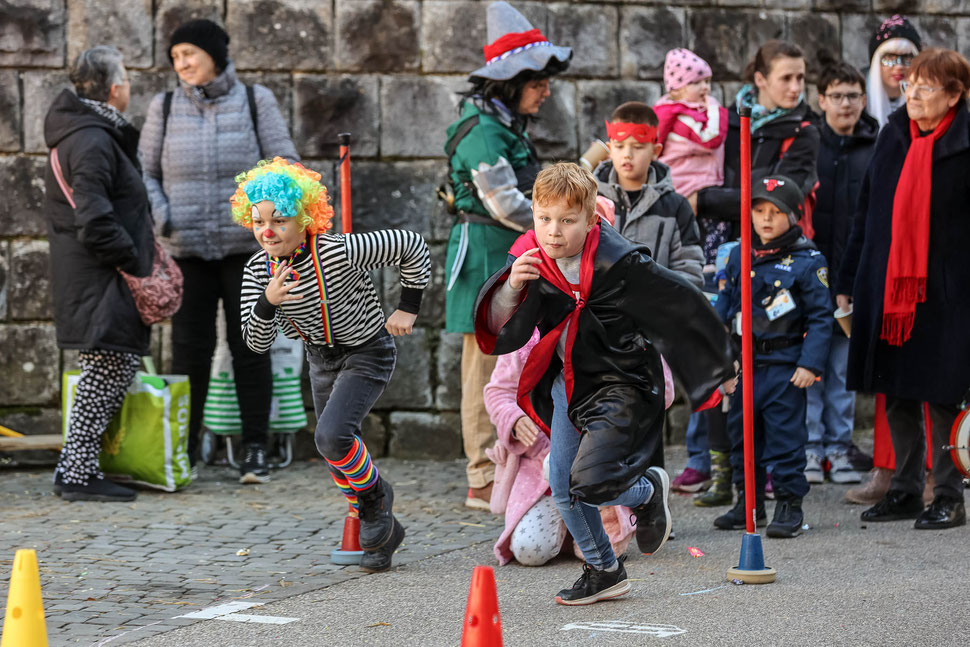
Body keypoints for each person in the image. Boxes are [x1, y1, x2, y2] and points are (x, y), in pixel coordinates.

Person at [475, 163, 735, 605]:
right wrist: (510, 289)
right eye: (544, 218)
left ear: (592, 217)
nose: (553, 232)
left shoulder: (621, 260)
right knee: (563, 483)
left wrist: (719, 367)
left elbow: (681, 304)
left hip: (622, 379)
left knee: (591, 480)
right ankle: (604, 569)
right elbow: (500, 324)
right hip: (568, 384)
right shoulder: (529, 255)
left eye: (566, 220)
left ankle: (646, 490)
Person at [235, 158, 431, 571]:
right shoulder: (256, 271)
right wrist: (268, 303)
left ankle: (375, 500)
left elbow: (412, 245)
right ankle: (382, 531)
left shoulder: (338, 250)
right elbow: (255, 342)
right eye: (258, 221)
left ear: (305, 217)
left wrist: (407, 309)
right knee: (333, 451)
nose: (267, 231)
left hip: (367, 350)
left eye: (280, 220)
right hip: (320, 358)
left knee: (331, 436)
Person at [139, 19, 299, 484]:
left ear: (214, 53)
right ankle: (182, 451)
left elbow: (284, 164)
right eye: (175, 58)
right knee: (188, 351)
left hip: (246, 248)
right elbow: (144, 174)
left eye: (189, 53)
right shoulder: (163, 106)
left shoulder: (255, 101)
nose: (182, 64)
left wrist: (271, 223)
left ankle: (254, 449)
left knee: (251, 345)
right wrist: (164, 216)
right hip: (184, 248)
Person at [443, 1, 572, 510]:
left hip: (513, 252)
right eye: (538, 83)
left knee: (512, 361)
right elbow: (508, 205)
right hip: (486, 254)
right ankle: (480, 475)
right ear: (511, 83)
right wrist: (563, 220)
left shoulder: (503, 125)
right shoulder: (482, 132)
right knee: (484, 363)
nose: (545, 92)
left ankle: (508, 464)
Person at [836, 48, 970, 530]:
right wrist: (848, 281)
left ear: (955, 95)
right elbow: (866, 212)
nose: (912, 95)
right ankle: (906, 489)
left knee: (942, 395)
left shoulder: (965, 143)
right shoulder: (893, 135)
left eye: (926, 87)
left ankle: (948, 495)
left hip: (948, 293)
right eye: (910, 85)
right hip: (887, 285)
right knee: (895, 391)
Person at [43, 46, 152, 502]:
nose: (128, 86)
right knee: (108, 365)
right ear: (113, 88)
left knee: (110, 364)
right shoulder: (91, 138)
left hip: (93, 273)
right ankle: (75, 473)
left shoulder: (86, 132)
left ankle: (78, 467)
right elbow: (95, 218)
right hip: (100, 275)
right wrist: (132, 261)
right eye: (125, 78)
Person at [713, 175, 832, 538]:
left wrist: (809, 364)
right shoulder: (739, 254)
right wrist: (723, 364)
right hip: (744, 367)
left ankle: (788, 504)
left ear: (793, 216)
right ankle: (748, 503)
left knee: (784, 440)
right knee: (743, 437)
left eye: (775, 212)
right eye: (759, 210)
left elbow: (821, 318)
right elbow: (723, 312)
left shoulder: (808, 261)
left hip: (784, 367)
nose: (765, 219)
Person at [483, 330, 658, 566]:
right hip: (538, 465)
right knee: (529, 551)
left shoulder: (599, 323)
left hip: (592, 459)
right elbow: (497, 391)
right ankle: (566, 528)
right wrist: (513, 419)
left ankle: (643, 491)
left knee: (603, 548)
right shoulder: (524, 334)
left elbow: (654, 382)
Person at [804, 56, 879, 485]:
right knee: (810, 369)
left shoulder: (877, 145)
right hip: (811, 278)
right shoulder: (809, 144)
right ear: (821, 100)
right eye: (836, 96)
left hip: (854, 279)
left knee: (842, 371)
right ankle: (811, 450)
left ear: (863, 99)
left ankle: (839, 447)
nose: (845, 104)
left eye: (853, 96)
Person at [693, 40, 819, 243]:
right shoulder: (725, 120)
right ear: (760, 79)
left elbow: (776, 197)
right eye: (786, 78)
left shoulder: (805, 131)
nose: (795, 88)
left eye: (800, 78)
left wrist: (702, 201)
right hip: (715, 243)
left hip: (771, 249)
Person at [593, 101, 704, 288]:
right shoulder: (590, 201)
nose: (627, 154)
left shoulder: (676, 207)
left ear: (656, 151)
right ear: (610, 149)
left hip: (656, 312)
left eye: (637, 147)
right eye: (620, 146)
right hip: (600, 312)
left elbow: (690, 271)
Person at [654, 48, 730, 273]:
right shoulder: (681, 117)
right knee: (713, 226)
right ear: (678, 88)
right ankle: (707, 265)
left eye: (708, 81)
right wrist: (715, 107)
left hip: (693, 184)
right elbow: (711, 138)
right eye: (698, 82)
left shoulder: (684, 111)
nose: (706, 88)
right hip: (688, 185)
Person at [865, 15, 922, 128]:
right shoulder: (858, 101)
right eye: (890, 59)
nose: (899, 66)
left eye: (907, 58)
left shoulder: (926, 101)